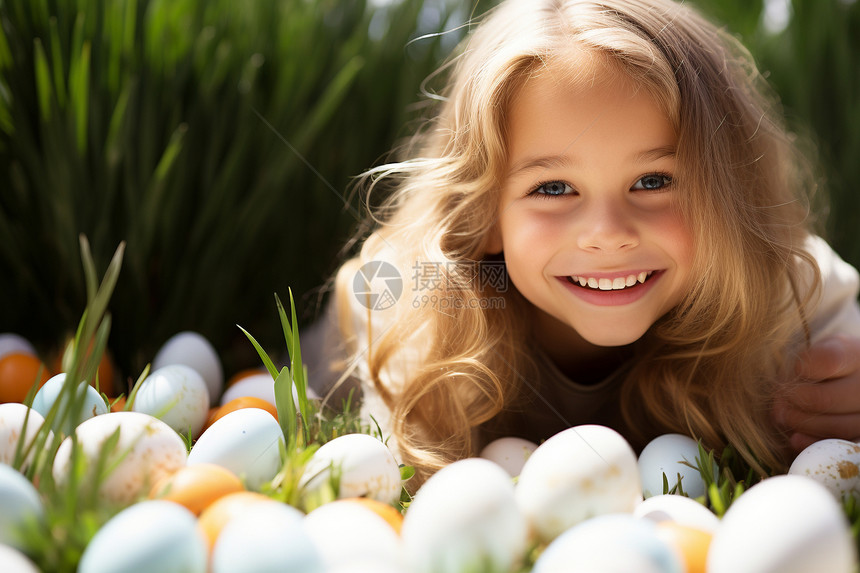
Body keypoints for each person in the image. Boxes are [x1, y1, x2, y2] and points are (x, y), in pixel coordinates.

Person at [302, 0, 860, 488]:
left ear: (727, 194)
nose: (607, 233)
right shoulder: (415, 313)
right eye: (552, 188)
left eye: (653, 181)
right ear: (485, 213)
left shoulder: (789, 295)